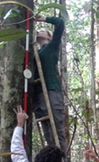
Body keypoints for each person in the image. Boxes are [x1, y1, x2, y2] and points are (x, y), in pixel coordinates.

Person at [33, 14, 66, 154]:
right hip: (39, 94)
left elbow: (60, 23)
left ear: (49, 37)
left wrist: (43, 19)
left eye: (42, 31)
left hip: (52, 91)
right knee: (47, 132)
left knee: (57, 131)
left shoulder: (52, 46)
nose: (39, 31)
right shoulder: (35, 51)